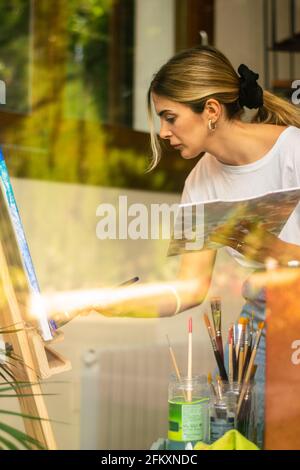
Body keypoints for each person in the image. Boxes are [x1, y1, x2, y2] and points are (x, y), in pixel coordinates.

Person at [146, 45, 300, 447]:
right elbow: (190, 289)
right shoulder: (199, 183)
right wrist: (106, 303)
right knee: (239, 436)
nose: (163, 132)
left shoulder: (293, 153)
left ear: (210, 110)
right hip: (261, 327)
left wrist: (278, 252)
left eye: (170, 117)